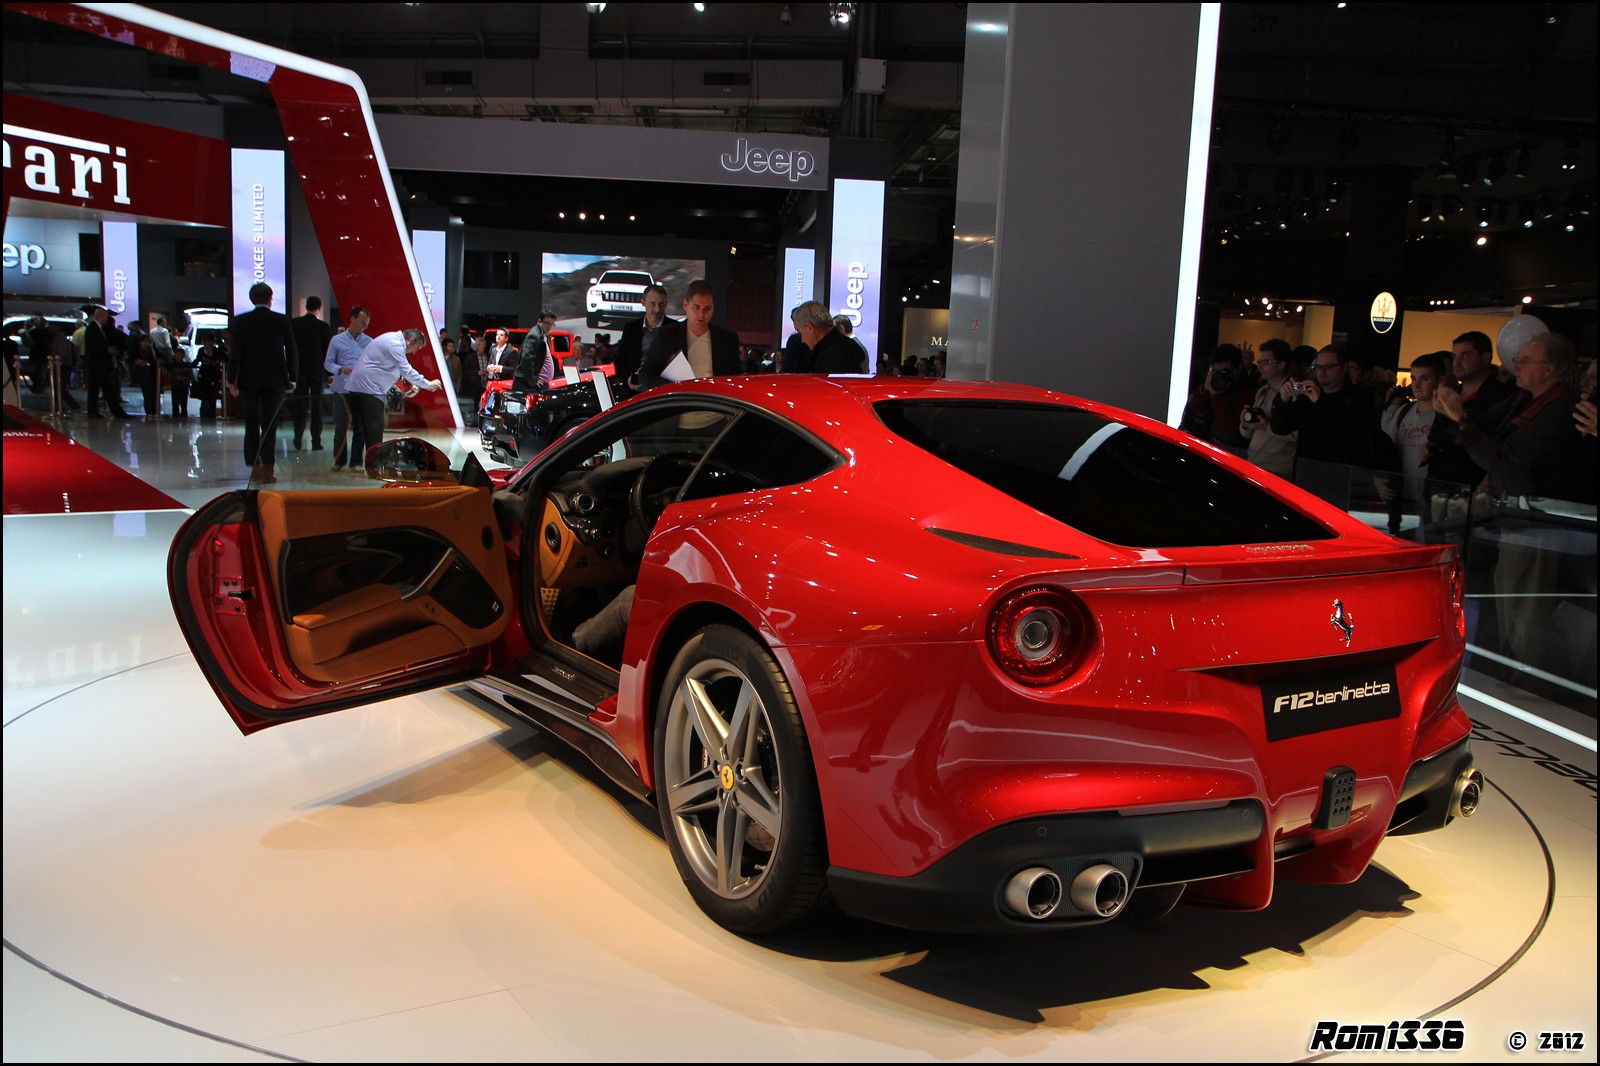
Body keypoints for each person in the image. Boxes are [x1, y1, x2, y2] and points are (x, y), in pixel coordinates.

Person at [1424, 330, 1513, 492]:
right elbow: (1438, 436)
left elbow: (1500, 449)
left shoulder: (1501, 397)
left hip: (1473, 490)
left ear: (1485, 358)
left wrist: (1486, 485)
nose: (1456, 363)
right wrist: (1429, 446)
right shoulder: (1451, 394)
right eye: (1454, 357)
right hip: (1439, 485)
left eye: (1465, 356)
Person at [345, 327, 443, 474]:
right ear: (411, 340)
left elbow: (390, 369)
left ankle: (356, 464)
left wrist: (406, 386)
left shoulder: (390, 340)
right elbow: (406, 370)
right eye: (417, 348)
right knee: (374, 430)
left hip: (359, 387)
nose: (415, 352)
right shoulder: (395, 344)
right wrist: (428, 385)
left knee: (360, 429)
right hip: (370, 390)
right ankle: (375, 468)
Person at [228, 282, 298, 483]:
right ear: (270, 298)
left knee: (251, 421)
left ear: (251, 299)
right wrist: (293, 376)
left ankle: (254, 465)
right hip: (276, 378)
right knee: (270, 423)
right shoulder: (280, 320)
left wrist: (232, 379)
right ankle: (268, 468)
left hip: (249, 379)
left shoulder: (241, 321)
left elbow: (236, 353)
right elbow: (291, 349)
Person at [1379, 351, 1449, 533]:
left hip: (1431, 496)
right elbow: (1386, 448)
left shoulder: (1446, 415)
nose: (1416, 384)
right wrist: (1380, 478)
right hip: (1402, 494)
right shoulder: (1403, 411)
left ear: (1440, 380)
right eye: (1413, 378)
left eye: (1424, 378)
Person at [640, 280, 741, 388]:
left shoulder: (727, 339)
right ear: (685, 305)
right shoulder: (665, 336)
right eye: (696, 308)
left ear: (713, 308)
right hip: (678, 400)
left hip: (714, 401)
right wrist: (676, 388)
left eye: (707, 309)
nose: (701, 314)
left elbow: (736, 378)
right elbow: (645, 374)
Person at [1239, 338, 1296, 478]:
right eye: (1259, 362)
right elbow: (1247, 433)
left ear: (1281, 364)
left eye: (1266, 362)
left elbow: (1297, 434)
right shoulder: (1262, 390)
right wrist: (1245, 423)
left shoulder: (1294, 393)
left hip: (1278, 470)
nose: (1260, 366)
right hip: (1253, 463)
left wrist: (1267, 426)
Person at [324, 306, 372, 470]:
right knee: (341, 428)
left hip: (361, 390)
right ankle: (339, 461)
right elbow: (328, 363)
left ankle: (356, 462)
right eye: (362, 322)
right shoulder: (337, 340)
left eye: (367, 324)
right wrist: (341, 369)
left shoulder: (369, 342)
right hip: (342, 389)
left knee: (359, 428)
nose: (364, 326)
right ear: (352, 319)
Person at [290, 295, 333, 450]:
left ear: (306, 306)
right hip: (317, 371)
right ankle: (316, 441)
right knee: (317, 406)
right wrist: (329, 374)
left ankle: (298, 436)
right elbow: (326, 352)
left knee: (300, 404)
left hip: (299, 369)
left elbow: (291, 349)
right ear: (319, 308)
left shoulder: (294, 324)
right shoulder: (323, 327)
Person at [82, 306, 129, 419]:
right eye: (106, 317)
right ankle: (94, 412)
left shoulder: (100, 329)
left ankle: (116, 412)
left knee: (106, 389)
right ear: (100, 316)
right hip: (96, 365)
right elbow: (92, 346)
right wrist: (106, 350)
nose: (107, 319)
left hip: (102, 365)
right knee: (96, 389)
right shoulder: (92, 329)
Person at [790, 301, 862, 374]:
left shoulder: (832, 357)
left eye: (800, 332)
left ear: (810, 328)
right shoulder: (843, 347)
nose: (802, 340)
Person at [515, 310, 557, 393]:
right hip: (531, 385)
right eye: (546, 323)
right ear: (539, 321)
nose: (549, 326)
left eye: (552, 324)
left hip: (539, 384)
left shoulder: (544, 335)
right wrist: (533, 380)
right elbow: (527, 359)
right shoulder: (534, 335)